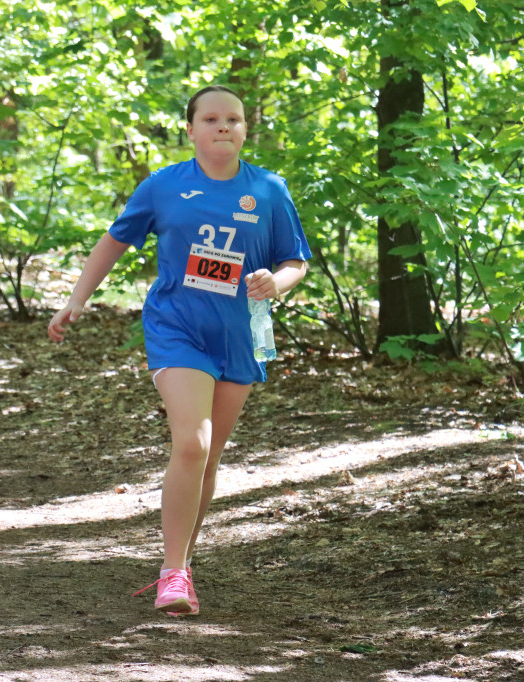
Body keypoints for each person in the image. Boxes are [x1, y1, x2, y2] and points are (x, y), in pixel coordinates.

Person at [47, 85, 311, 615]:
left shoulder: (269, 189)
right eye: (210, 118)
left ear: (244, 130)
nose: (223, 126)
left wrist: (277, 283)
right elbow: (115, 241)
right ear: (190, 130)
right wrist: (77, 298)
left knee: (208, 456)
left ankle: (182, 562)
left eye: (233, 119)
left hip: (237, 336)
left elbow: (295, 260)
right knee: (191, 443)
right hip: (177, 328)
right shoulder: (164, 186)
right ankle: (172, 572)